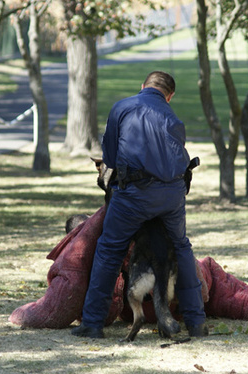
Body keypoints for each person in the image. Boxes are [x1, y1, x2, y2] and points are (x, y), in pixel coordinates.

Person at [71, 71, 208, 339]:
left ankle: (93, 323)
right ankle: (196, 322)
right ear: (170, 96)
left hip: (133, 196)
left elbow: (109, 157)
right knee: (181, 247)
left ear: (142, 86)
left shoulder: (122, 107)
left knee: (109, 248)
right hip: (173, 196)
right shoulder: (174, 119)